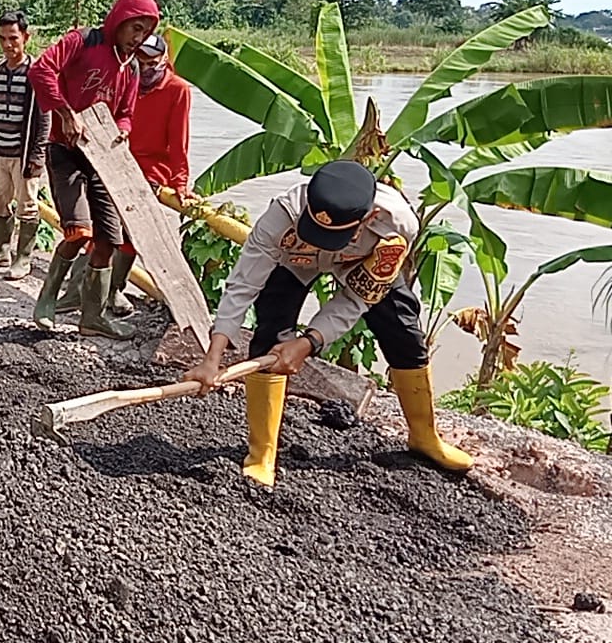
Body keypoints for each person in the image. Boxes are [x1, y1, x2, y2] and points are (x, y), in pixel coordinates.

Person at [181, 160, 474, 487]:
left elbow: (356, 299)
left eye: (329, 237)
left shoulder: (396, 227)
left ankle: (424, 437)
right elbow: (243, 284)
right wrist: (212, 358)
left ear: (370, 218)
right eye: (315, 231)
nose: (320, 241)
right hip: (294, 262)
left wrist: (308, 343)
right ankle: (262, 453)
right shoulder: (282, 216)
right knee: (271, 330)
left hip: (360, 264)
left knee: (404, 329)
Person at [27, 0, 160, 340]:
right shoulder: (84, 41)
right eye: (135, 28)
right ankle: (47, 299)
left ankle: (93, 317)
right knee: (78, 230)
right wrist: (65, 112)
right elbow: (42, 69)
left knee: (109, 241)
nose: (139, 37)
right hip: (66, 151)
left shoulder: (130, 68)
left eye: (146, 32)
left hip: (103, 159)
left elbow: (127, 113)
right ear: (119, 20)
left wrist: (124, 131)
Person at [55, 32, 194, 318]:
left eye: (151, 62)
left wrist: (180, 181)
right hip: (111, 160)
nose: (145, 68)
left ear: (163, 61)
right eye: (140, 60)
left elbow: (179, 141)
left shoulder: (178, 90)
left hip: (150, 171)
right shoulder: (123, 77)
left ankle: (111, 290)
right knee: (98, 226)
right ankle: (77, 293)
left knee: (129, 235)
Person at [0, 10, 51, 281]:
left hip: (23, 153)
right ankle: (0, 250)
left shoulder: (36, 73)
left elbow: (44, 119)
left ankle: (24, 258)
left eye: (13, 38)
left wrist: (37, 156)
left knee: (27, 205)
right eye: (3, 38)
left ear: (26, 37)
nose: (8, 44)